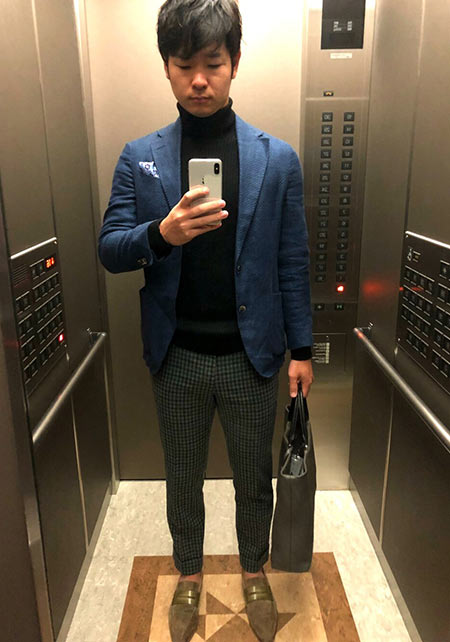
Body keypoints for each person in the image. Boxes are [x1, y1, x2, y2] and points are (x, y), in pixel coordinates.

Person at [98, 1, 314, 640]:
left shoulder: (278, 159)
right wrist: (160, 235)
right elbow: (110, 248)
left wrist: (303, 350)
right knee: (183, 476)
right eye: (184, 64)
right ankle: (188, 573)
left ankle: (254, 570)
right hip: (178, 356)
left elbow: (293, 260)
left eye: (213, 64)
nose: (199, 80)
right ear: (166, 67)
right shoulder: (140, 156)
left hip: (253, 356)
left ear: (235, 64)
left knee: (254, 478)